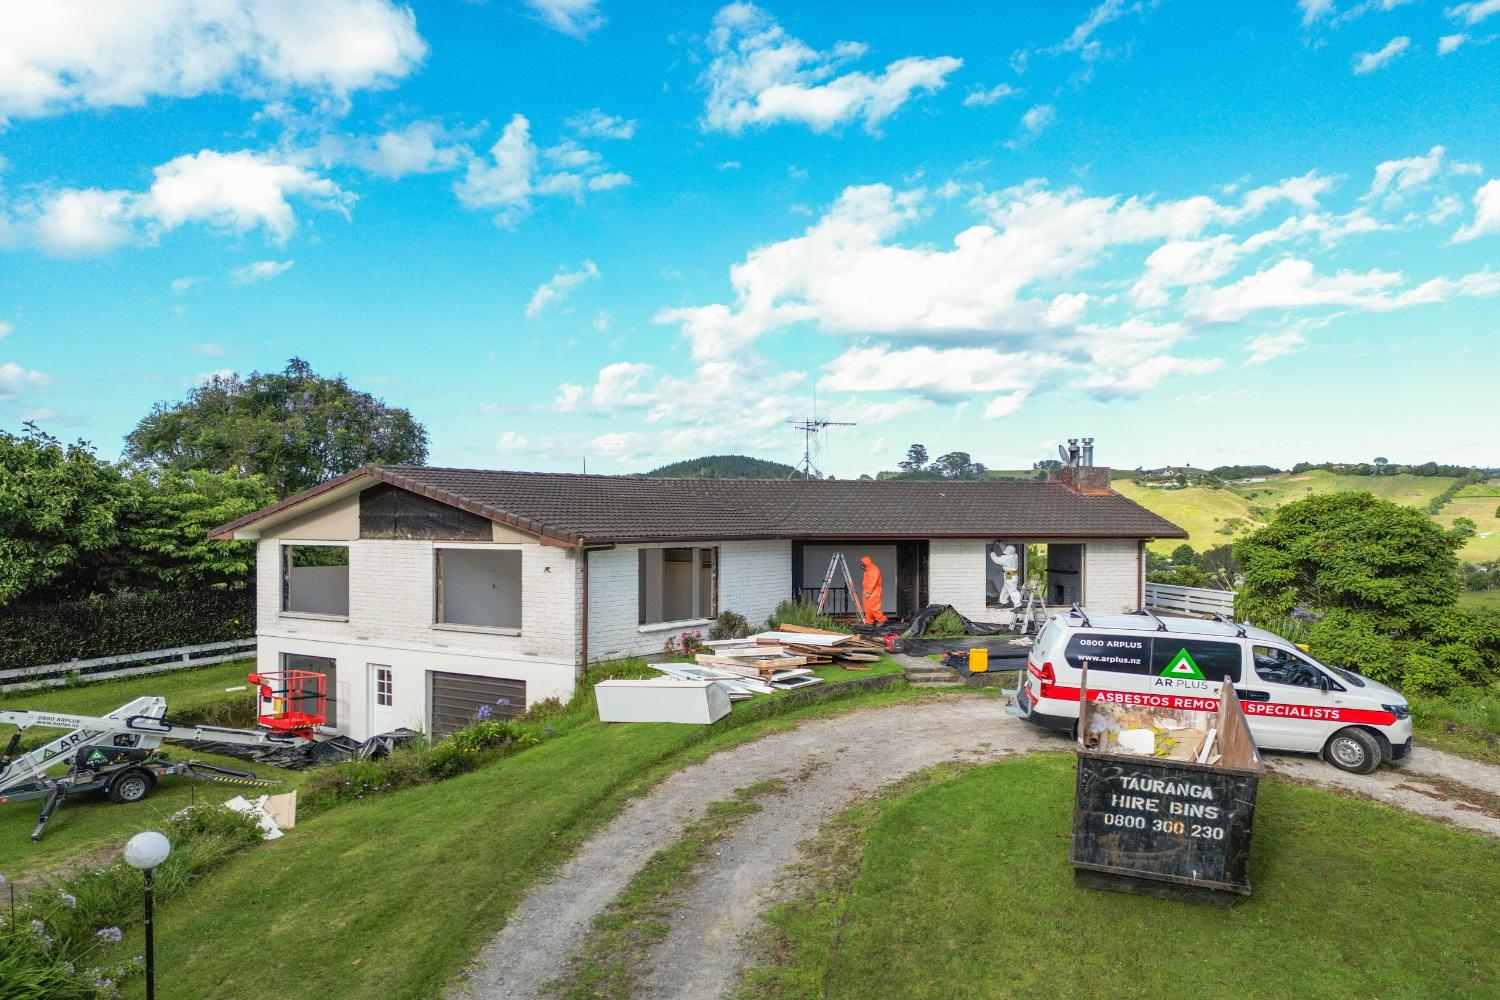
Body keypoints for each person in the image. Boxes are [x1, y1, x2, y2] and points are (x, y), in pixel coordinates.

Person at [989, 543, 1022, 608]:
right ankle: (1003, 601)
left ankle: (1018, 605)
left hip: (1010, 575)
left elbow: (996, 560)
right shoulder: (1015, 555)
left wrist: (992, 553)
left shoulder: (1006, 558)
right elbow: (1007, 550)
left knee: (1012, 590)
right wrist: (1000, 543)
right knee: (1006, 588)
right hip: (1011, 574)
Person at [860, 555, 887, 625]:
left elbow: (872, 582)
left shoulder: (873, 569)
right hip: (868, 591)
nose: (862, 564)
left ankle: (881, 619)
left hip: (874, 591)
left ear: (867, 562)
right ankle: (869, 621)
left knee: (873, 607)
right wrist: (866, 591)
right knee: (867, 608)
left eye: (863, 562)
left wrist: (868, 592)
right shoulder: (868, 569)